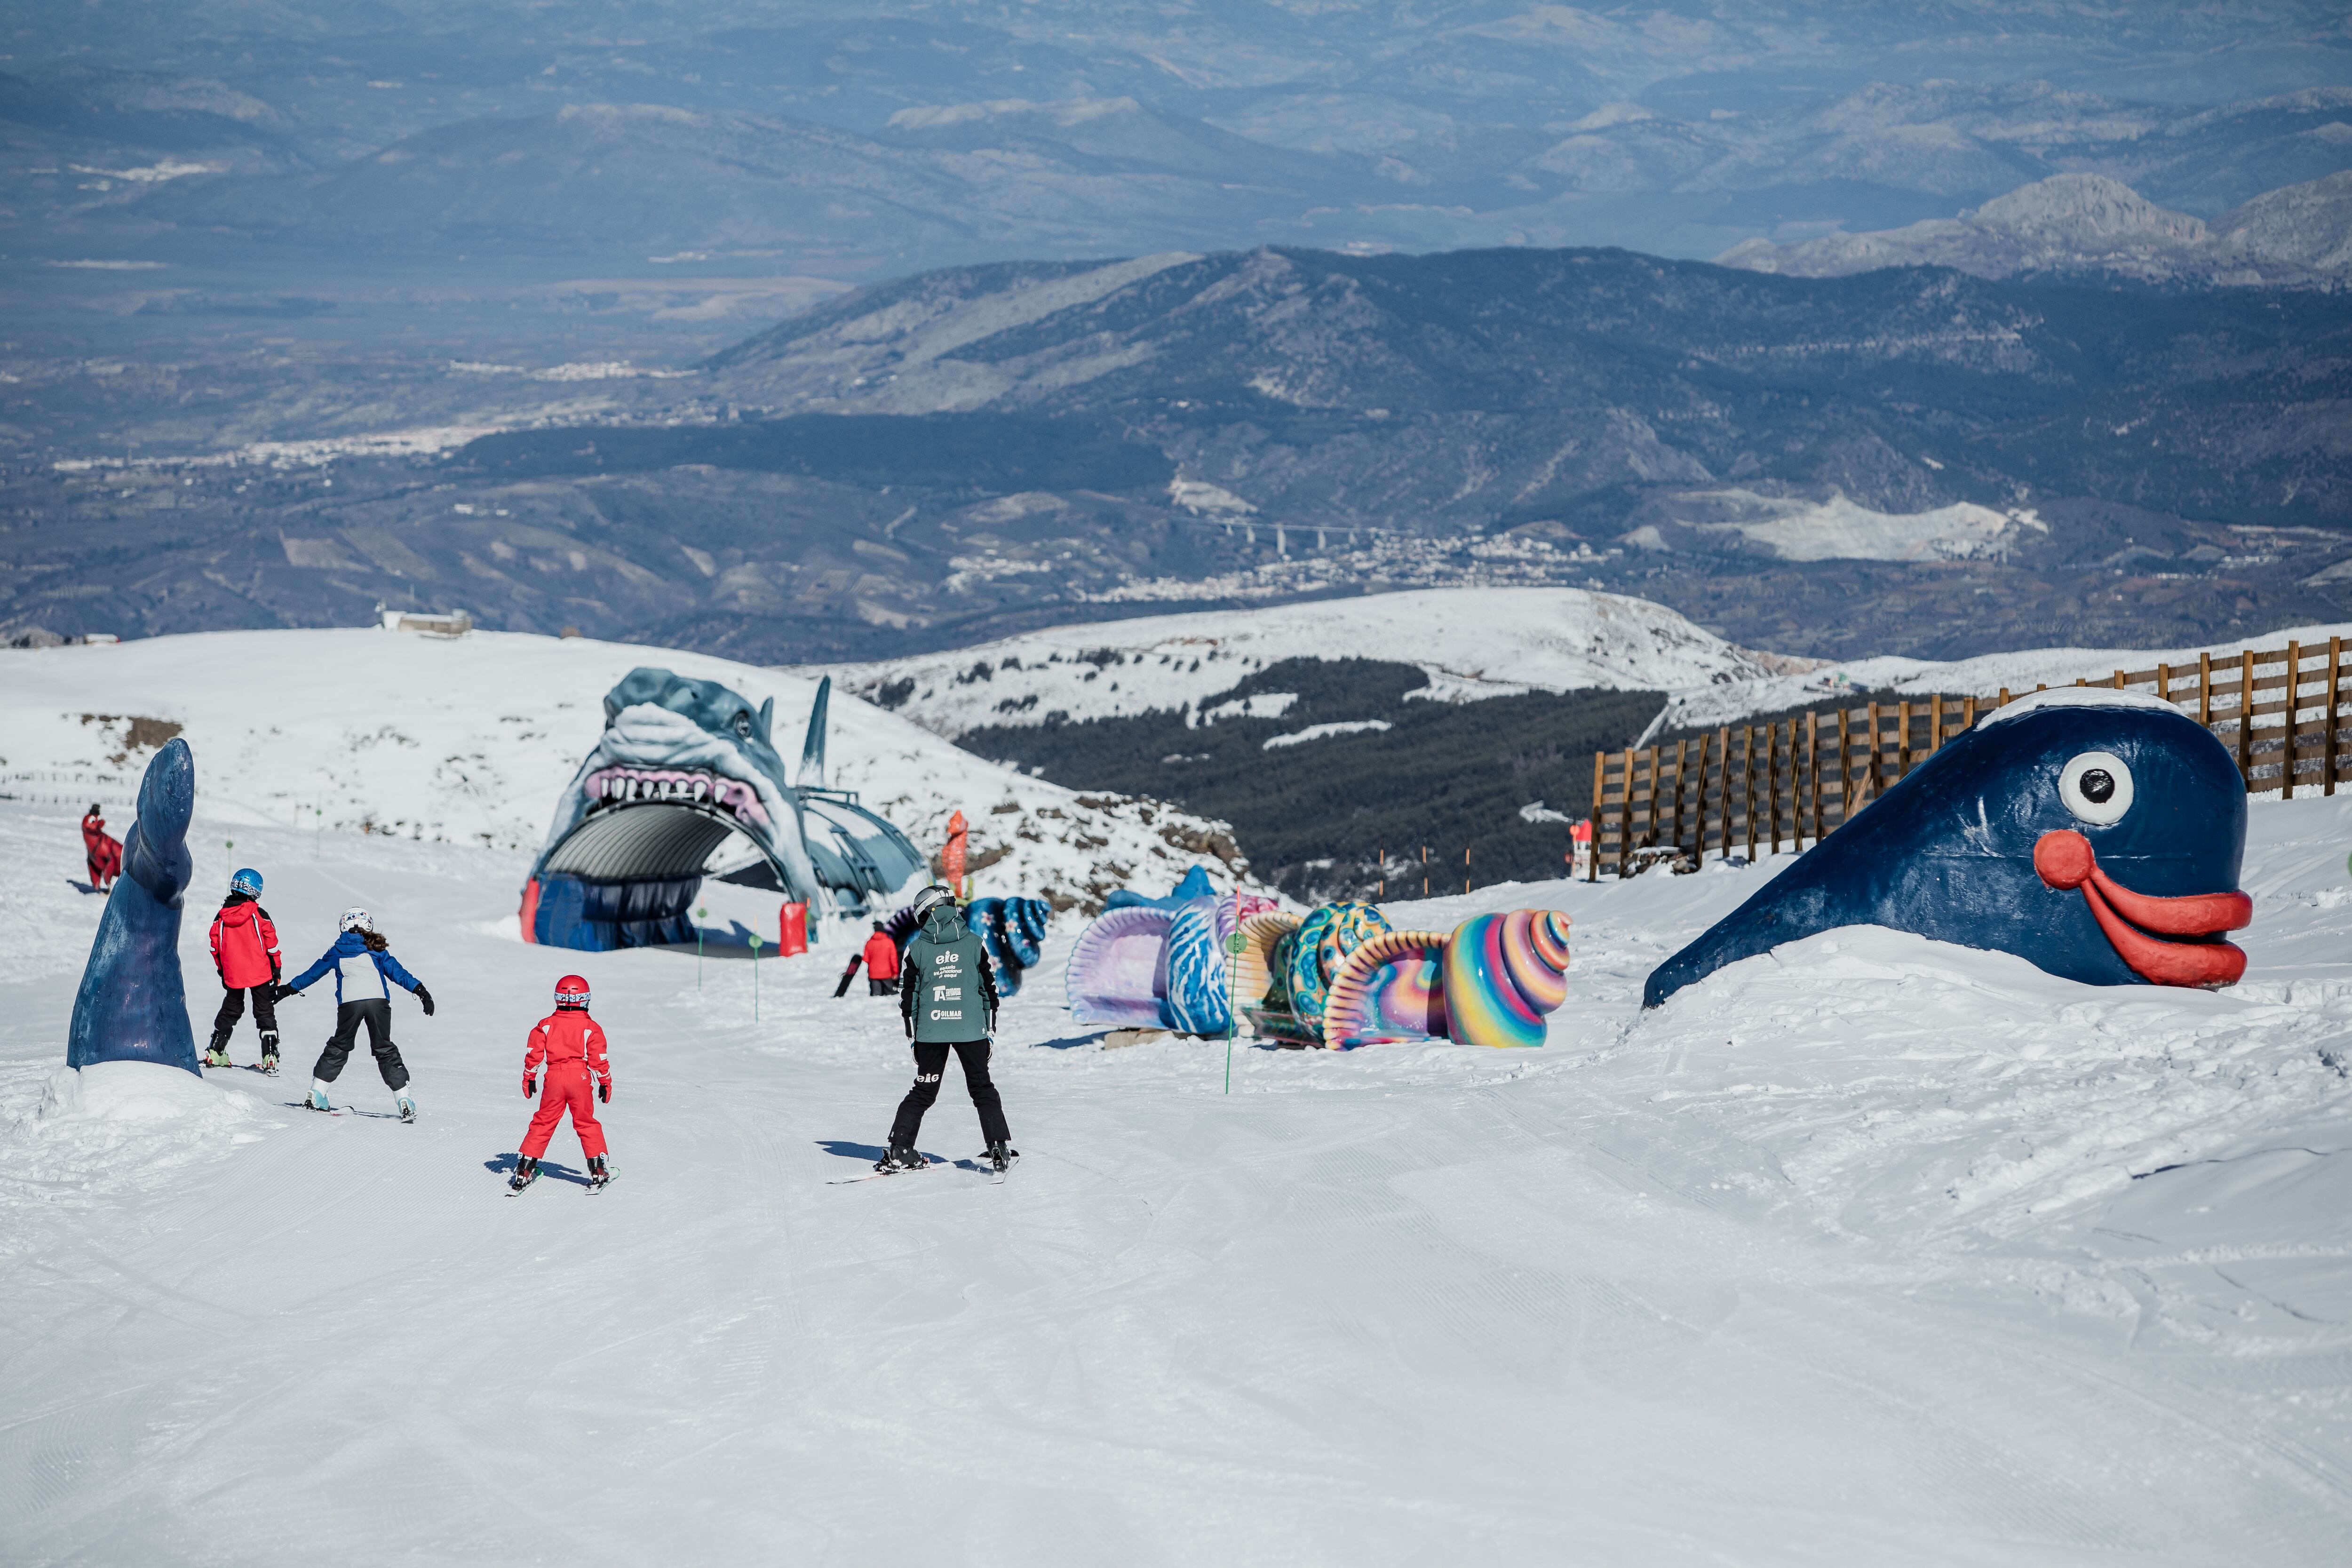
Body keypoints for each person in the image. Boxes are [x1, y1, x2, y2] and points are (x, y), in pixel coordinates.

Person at [880, 885, 1016, 1174]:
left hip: (931, 1031)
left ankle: (900, 1148)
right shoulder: (975, 943)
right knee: (982, 1087)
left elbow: (909, 997)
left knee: (923, 1091)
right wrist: (989, 1030)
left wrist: (913, 1036)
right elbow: (988, 990)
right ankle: (998, 1145)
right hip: (971, 1031)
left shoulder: (915, 949)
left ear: (925, 911)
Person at [279, 907, 434, 1122]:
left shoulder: (336, 950)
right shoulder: (377, 950)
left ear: (343, 927)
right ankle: (404, 1100)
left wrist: (287, 989)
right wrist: (421, 991)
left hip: (350, 1004)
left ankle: (316, 1094)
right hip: (377, 1002)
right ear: (369, 925)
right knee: (384, 1048)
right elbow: (399, 973)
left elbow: (313, 974)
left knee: (340, 1045)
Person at [509, 974, 612, 1193]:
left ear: (558, 999)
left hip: (554, 1078)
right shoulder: (591, 1028)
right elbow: (599, 1059)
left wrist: (529, 1078)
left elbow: (534, 1054)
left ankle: (524, 1171)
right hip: (580, 1079)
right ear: (585, 1000)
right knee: (586, 1123)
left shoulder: (546, 1025)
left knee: (543, 1122)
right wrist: (605, 1082)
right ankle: (598, 1171)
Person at [205, 868, 283, 1071]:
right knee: (264, 1011)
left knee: (231, 1009)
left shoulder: (221, 917)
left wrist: (223, 971)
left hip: (234, 975)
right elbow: (272, 945)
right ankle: (270, 1056)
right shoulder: (258, 915)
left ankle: (216, 1050)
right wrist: (277, 971)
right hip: (261, 973)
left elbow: (216, 948)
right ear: (256, 891)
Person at [80, 804, 120, 891]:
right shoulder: (91, 824)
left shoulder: (102, 843)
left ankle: (111, 887)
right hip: (95, 850)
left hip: (122, 864)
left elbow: (111, 861)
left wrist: (107, 880)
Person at [863, 920, 902, 996]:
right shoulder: (889, 942)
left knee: (876, 995)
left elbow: (866, 959)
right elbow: (894, 959)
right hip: (887, 974)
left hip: (874, 974)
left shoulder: (869, 943)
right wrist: (895, 973)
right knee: (890, 994)